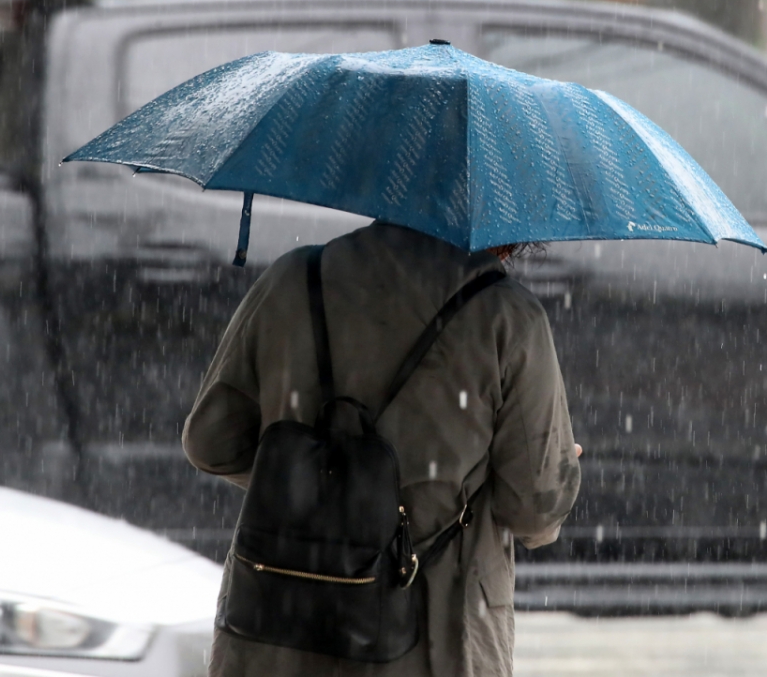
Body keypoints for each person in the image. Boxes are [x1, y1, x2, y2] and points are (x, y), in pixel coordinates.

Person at [183, 221, 582, 677]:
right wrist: (557, 465)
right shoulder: (506, 316)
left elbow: (211, 443)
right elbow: (534, 508)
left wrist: (319, 490)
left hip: (275, 626)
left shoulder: (294, 278)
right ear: (500, 225)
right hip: (433, 637)